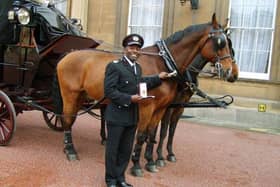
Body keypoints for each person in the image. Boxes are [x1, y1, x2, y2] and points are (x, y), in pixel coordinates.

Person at [103, 33, 169, 187]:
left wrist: (158, 77)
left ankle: (120, 178)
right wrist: (130, 99)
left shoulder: (137, 68)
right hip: (117, 115)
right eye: (132, 47)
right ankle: (111, 180)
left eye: (138, 48)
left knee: (125, 150)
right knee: (113, 150)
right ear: (125, 49)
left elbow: (140, 82)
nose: (135, 51)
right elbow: (109, 91)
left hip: (132, 116)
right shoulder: (114, 66)